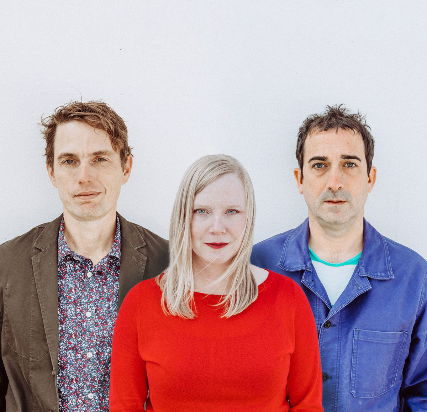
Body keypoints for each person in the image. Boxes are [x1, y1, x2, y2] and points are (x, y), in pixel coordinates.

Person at [109, 154, 323, 412]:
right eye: (202, 211)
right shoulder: (141, 303)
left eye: (232, 211)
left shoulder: (288, 298)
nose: (217, 227)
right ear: (183, 217)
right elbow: (125, 406)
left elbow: (307, 405)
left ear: (248, 217)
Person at [251, 105, 427, 412]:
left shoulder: (413, 278)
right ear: (300, 179)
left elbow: (422, 395)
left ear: (370, 178)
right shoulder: (257, 266)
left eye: (349, 164)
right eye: (319, 165)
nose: (335, 182)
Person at [0, 101, 169, 412]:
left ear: (126, 167)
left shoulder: (171, 264)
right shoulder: (7, 264)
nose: (84, 176)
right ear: (51, 172)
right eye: (69, 161)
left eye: (99, 159)